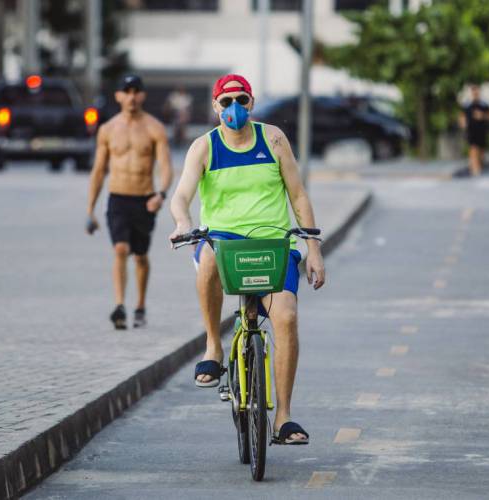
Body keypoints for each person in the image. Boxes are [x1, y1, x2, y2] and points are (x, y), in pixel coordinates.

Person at [169, 74, 325, 445]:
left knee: (285, 318)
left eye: (241, 100)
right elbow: (181, 196)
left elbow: (298, 196)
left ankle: (283, 418)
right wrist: (183, 223)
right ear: (215, 107)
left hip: (273, 244)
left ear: (251, 102)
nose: (234, 108)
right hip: (224, 242)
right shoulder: (203, 147)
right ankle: (213, 346)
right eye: (226, 102)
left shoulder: (272, 139)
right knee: (206, 258)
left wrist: (314, 248)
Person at [86, 75, 173, 330]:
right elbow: (99, 170)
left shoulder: (154, 128)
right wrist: (90, 209)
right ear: (118, 96)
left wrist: (161, 194)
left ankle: (141, 305)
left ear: (143, 95)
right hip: (117, 198)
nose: (132, 96)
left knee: (141, 256)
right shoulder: (108, 129)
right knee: (121, 250)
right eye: (127, 91)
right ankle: (120, 305)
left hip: (145, 199)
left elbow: (166, 167)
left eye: (136, 91)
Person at [459, 84, 489, 177]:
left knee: (481, 150)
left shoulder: (484, 104)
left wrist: (482, 116)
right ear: (471, 93)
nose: (475, 93)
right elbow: (462, 116)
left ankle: (478, 164)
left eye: (477, 91)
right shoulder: (467, 105)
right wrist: (463, 124)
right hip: (471, 130)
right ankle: (475, 169)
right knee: (473, 148)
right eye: (473, 92)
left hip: (482, 130)